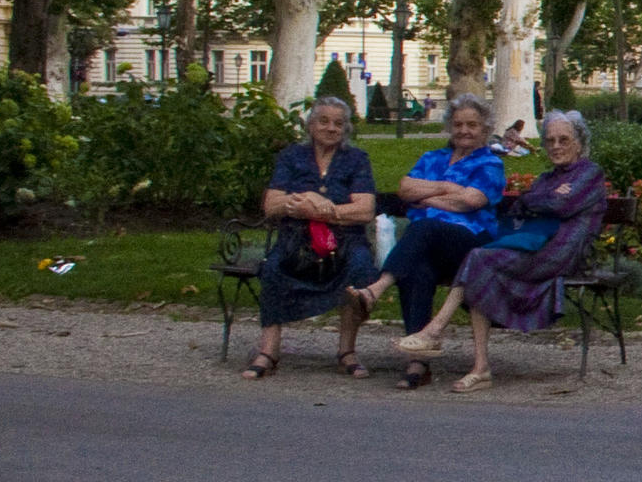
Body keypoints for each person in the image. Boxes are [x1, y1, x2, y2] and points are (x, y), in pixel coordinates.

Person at [389, 111, 609, 393]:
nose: (555, 146)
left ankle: (436, 333)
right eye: (550, 140)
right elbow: (523, 204)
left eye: (563, 140)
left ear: (578, 143)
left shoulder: (590, 173)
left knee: (479, 259)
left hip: (563, 252)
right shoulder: (547, 178)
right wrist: (548, 197)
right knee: (480, 261)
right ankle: (479, 368)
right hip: (535, 247)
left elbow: (560, 207)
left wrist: (544, 200)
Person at [349, 94, 506, 389]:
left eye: (472, 125)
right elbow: (405, 189)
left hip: (470, 245)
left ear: (485, 129)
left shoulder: (490, 163)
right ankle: (418, 362)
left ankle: (377, 288)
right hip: (431, 247)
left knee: (425, 227)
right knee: (416, 269)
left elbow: (471, 201)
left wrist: (430, 196)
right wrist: (448, 189)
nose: (464, 130)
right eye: (458, 124)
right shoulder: (431, 158)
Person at [242, 97, 377, 380]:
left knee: (361, 266)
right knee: (273, 267)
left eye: (338, 123)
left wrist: (322, 209)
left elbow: (365, 210)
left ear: (346, 129)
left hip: (345, 239)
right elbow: (272, 204)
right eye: (324, 121)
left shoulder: (356, 159)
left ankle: (347, 351)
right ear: (311, 124)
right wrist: (305, 201)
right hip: (297, 239)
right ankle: (268, 350)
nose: (331, 128)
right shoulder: (292, 157)